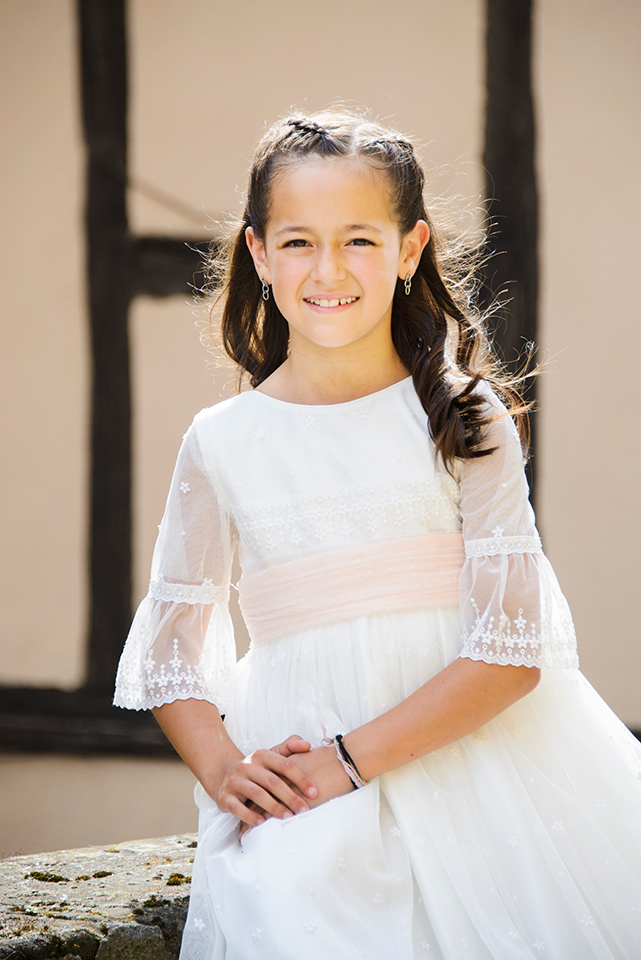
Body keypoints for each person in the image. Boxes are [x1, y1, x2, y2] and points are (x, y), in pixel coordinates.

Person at [114, 110, 641, 959]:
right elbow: (170, 650)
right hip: (300, 791)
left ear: (408, 249)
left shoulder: (463, 417)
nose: (327, 270)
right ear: (258, 254)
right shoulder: (222, 442)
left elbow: (511, 648)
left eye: (358, 240)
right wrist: (225, 769)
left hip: (480, 768)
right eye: (297, 242)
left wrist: (348, 761)